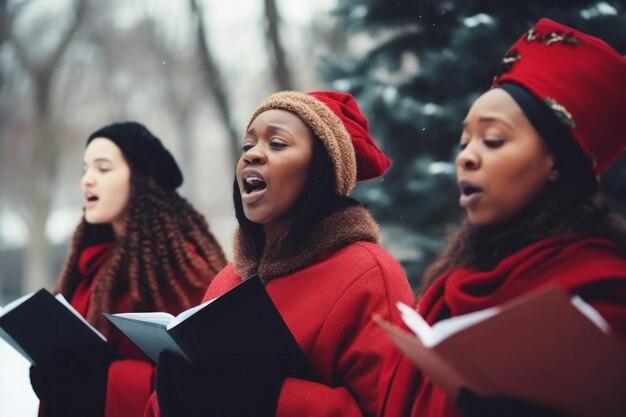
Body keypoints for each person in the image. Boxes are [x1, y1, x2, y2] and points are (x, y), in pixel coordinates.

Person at [378, 18, 626, 417]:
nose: (466, 156)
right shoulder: (444, 293)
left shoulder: (606, 294)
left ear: (556, 162)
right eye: (464, 142)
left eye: (493, 140)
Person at [145, 91, 416, 417]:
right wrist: (172, 395)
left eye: (277, 143)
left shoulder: (370, 274)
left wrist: (268, 398)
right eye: (248, 146)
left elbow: (394, 409)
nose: (252, 155)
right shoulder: (227, 280)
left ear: (321, 169)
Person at [29, 122, 227, 417]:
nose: (87, 181)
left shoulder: (182, 272)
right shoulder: (91, 266)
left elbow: (198, 387)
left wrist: (101, 382)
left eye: (103, 168)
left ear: (140, 180)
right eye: (85, 169)